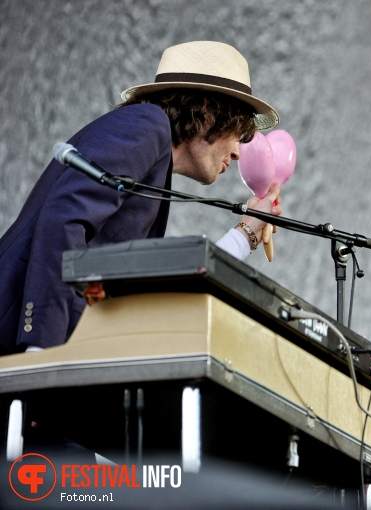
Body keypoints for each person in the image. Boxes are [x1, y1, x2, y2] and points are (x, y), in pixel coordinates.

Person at [0, 41, 283, 356]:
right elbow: (63, 218)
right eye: (238, 133)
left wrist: (245, 235)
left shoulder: (153, 161)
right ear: (206, 111)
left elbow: (155, 289)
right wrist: (42, 351)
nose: (237, 151)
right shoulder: (147, 125)